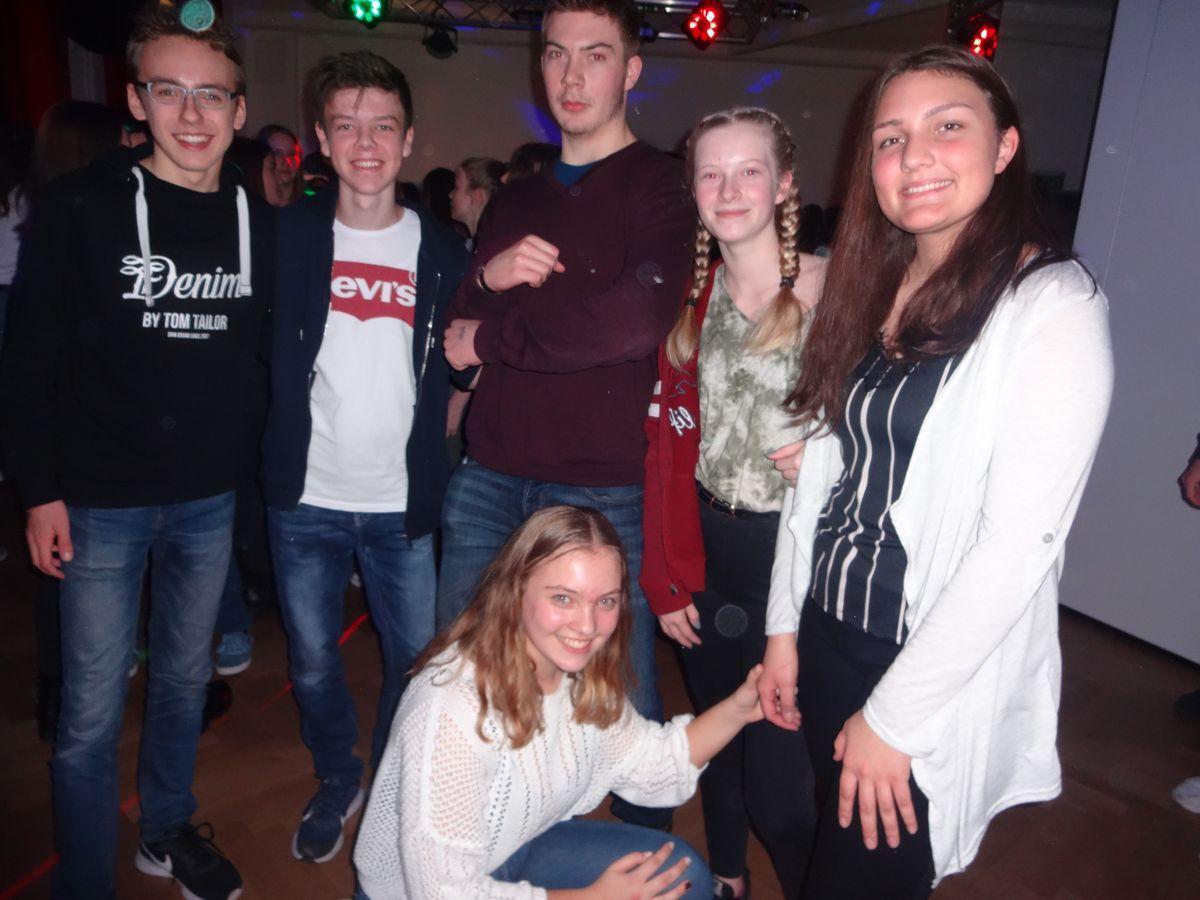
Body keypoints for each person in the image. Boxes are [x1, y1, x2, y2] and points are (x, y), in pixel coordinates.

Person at [757, 46, 1113, 898]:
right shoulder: (869, 285)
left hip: (919, 663)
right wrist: (783, 630)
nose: (913, 156)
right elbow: (824, 481)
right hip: (827, 628)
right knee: (820, 846)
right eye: (890, 138)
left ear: (1005, 147)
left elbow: (1017, 547)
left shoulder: (1052, 306)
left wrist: (894, 717)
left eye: (947, 127)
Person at [0, 7, 270, 899]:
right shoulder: (81, 206)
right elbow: (30, 359)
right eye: (170, 91)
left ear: (238, 109)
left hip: (207, 499)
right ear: (136, 100)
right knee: (88, 714)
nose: (191, 114)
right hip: (98, 500)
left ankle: (164, 830)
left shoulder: (257, 217)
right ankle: (85, 881)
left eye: (211, 95)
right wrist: (40, 491)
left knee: (185, 682)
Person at [439, 0, 695, 832]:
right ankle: (475, 854)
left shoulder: (659, 185)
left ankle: (653, 872)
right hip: (488, 476)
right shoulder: (514, 199)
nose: (572, 75)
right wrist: (489, 281)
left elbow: (633, 320)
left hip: (600, 490)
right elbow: (455, 334)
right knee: (460, 690)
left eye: (595, 55)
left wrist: (496, 334)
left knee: (622, 707)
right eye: (556, 54)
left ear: (631, 70)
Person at [260, 49, 469, 865]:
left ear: (408, 138)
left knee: (415, 666)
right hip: (306, 495)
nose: (366, 143)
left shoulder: (443, 247)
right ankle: (339, 776)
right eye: (347, 126)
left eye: (383, 126)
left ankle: (391, 784)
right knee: (313, 665)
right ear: (322, 138)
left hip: (400, 502)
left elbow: (466, 359)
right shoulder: (289, 236)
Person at [355, 505, 765, 898]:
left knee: (683, 879)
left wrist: (741, 707)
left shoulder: (579, 675)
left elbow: (653, 765)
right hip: (422, 891)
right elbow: (442, 893)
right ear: (515, 590)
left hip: (514, 848)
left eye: (605, 601)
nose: (587, 626)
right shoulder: (453, 707)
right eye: (563, 598)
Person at [643, 107, 822, 900]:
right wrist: (665, 575)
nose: (728, 189)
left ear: (784, 185)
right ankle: (725, 878)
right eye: (710, 173)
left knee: (781, 788)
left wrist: (834, 455)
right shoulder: (689, 297)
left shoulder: (837, 289)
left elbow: (899, 434)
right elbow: (663, 451)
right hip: (710, 551)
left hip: (799, 564)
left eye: (750, 170)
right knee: (715, 737)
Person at [450, 156, 506, 241]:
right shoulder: (475, 243)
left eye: (456, 188)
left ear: (477, 196)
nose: (450, 195)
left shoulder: (493, 244)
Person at [258, 123, 302, 205]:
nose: (286, 161)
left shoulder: (313, 204)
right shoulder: (251, 207)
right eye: (277, 153)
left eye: (292, 154)